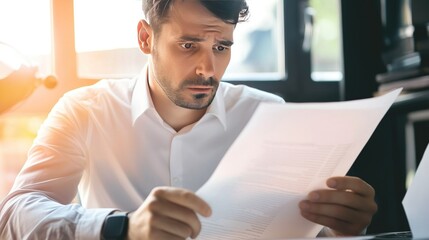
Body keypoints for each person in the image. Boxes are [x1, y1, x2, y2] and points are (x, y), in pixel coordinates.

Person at [0, 0, 378, 239]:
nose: (207, 68)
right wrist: (123, 228)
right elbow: (16, 214)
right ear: (146, 38)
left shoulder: (269, 114)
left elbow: (301, 230)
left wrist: (342, 227)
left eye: (221, 47)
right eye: (188, 45)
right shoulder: (85, 110)